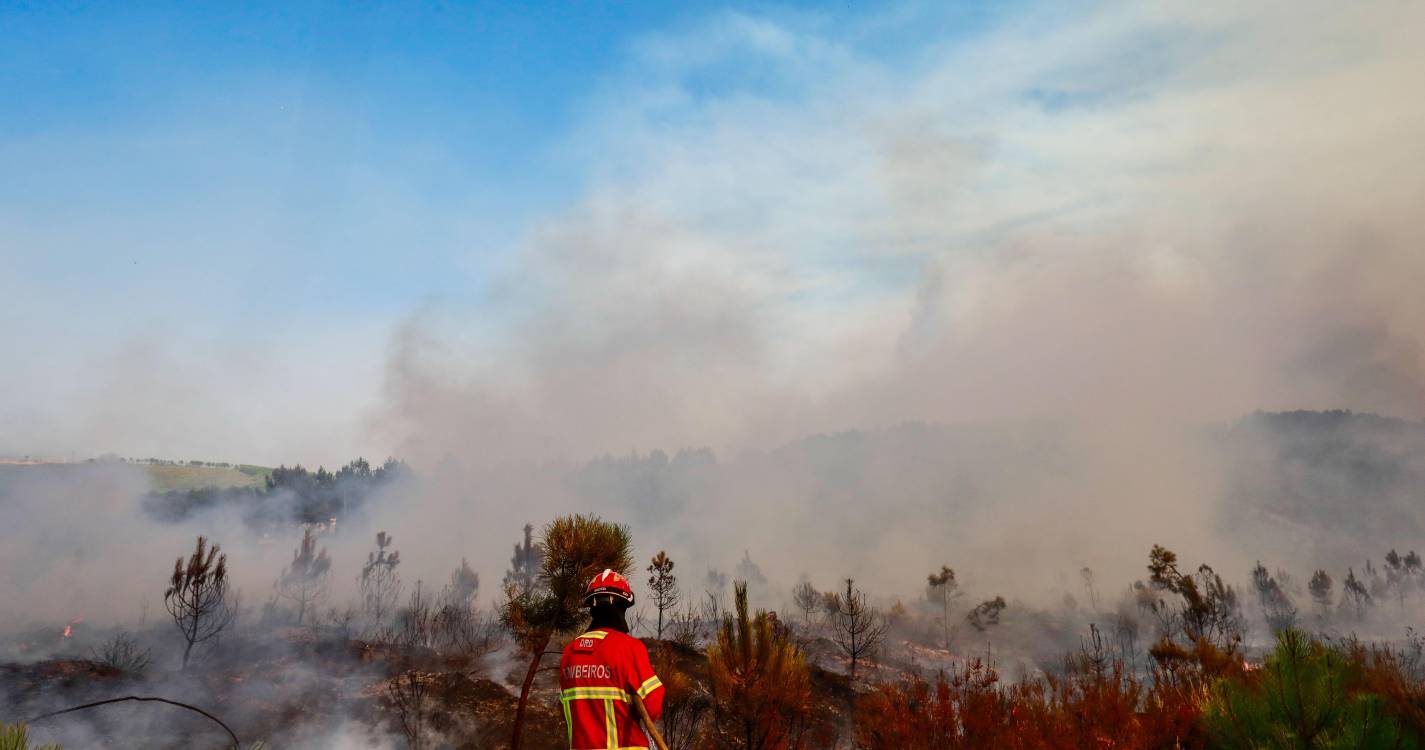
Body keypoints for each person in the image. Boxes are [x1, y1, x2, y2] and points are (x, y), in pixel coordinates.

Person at [558, 569, 665, 750]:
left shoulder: (569, 653)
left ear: (592, 608)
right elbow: (652, 707)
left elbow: (566, 709)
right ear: (621, 607)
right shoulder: (629, 648)